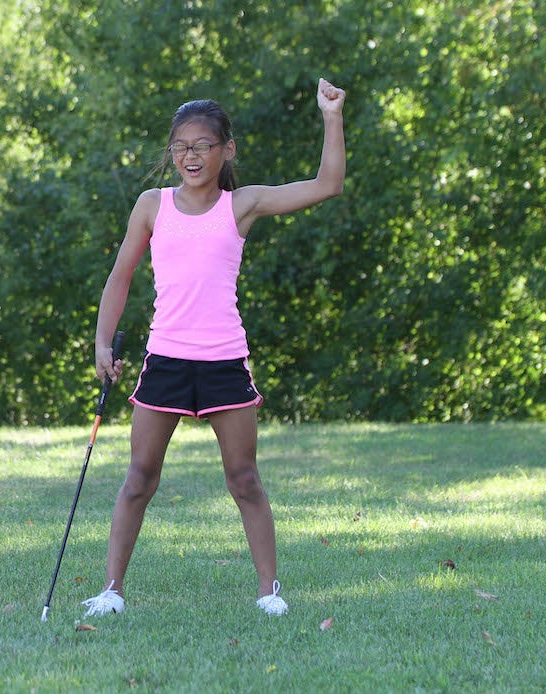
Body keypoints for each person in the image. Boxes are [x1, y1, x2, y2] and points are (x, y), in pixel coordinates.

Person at [81, 78, 346, 617]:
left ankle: (269, 593)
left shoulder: (241, 205)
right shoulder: (151, 206)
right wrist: (102, 341)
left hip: (224, 360)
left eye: (202, 145)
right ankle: (111, 591)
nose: (190, 156)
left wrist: (331, 116)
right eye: (180, 146)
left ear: (227, 150)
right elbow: (120, 277)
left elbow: (327, 184)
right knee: (138, 479)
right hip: (167, 360)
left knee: (244, 478)